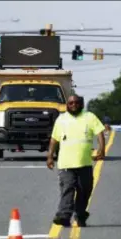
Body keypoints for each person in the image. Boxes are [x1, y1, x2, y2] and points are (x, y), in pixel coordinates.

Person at [47, 94, 106, 227]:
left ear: (81, 104)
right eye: (70, 103)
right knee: (67, 189)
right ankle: (63, 216)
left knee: (84, 190)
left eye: (76, 103)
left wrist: (102, 150)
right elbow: (54, 139)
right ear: (67, 105)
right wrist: (50, 156)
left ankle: (80, 215)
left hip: (84, 163)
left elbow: (100, 133)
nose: (73, 105)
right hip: (66, 163)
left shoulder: (89, 117)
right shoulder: (61, 119)